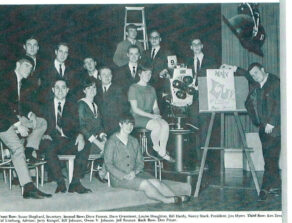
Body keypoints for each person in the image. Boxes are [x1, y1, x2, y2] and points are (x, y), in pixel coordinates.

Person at [221, 63, 281, 201]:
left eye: (256, 73)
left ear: (263, 70)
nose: (254, 76)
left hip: (274, 128)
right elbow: (248, 75)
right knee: (270, 157)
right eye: (253, 75)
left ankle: (264, 189)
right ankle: (277, 185)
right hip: (262, 127)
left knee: (270, 159)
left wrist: (272, 122)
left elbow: (280, 103)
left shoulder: (275, 82)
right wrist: (234, 68)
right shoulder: (258, 81)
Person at [0, 56, 52, 199]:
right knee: (17, 149)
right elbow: (1, 105)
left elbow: (19, 105)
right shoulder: (6, 79)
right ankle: (28, 187)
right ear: (17, 64)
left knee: (41, 122)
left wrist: (30, 114)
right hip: (0, 121)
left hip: (12, 117)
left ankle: (30, 149)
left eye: (31, 67)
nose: (29, 69)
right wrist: (18, 124)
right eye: (26, 65)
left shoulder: (20, 82)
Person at [104, 114, 189, 204]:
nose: (130, 127)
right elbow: (108, 164)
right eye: (127, 124)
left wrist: (135, 172)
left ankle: (175, 197)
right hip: (119, 178)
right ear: (120, 124)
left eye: (132, 124)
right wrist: (123, 175)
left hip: (134, 174)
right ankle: (166, 200)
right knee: (145, 184)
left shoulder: (134, 141)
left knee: (156, 182)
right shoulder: (111, 142)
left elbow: (140, 162)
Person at [42, 79, 91, 194]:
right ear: (53, 90)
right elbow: (40, 123)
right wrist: (44, 134)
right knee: (48, 145)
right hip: (51, 140)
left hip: (67, 140)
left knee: (86, 144)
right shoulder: (45, 105)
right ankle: (60, 182)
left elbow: (78, 125)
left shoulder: (73, 105)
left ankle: (75, 182)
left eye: (63, 87)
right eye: (57, 87)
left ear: (67, 90)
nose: (60, 90)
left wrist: (80, 135)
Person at [128, 65, 175, 162]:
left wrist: (157, 114)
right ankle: (157, 147)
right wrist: (152, 116)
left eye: (150, 73)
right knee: (157, 126)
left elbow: (155, 107)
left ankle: (162, 151)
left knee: (165, 125)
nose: (148, 75)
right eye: (145, 73)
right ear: (139, 74)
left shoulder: (151, 89)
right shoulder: (133, 88)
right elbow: (135, 109)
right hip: (137, 117)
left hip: (150, 117)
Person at [186, 38, 218, 171]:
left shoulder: (210, 61)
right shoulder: (187, 63)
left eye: (199, 44)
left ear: (202, 46)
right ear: (191, 47)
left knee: (205, 131)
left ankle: (205, 161)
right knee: (195, 131)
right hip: (192, 100)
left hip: (206, 99)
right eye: (194, 44)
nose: (196, 46)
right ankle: (197, 161)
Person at [78, 80, 108, 183]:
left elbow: (99, 127)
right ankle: (101, 172)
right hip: (86, 141)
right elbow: (81, 127)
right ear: (84, 90)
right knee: (109, 147)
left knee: (112, 143)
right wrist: (98, 142)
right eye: (89, 88)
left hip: (96, 139)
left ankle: (103, 171)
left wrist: (104, 138)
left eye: (94, 88)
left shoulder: (95, 105)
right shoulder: (81, 104)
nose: (92, 90)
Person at [144, 30, 173, 115]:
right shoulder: (145, 53)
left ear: (160, 39)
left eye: (156, 37)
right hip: (147, 87)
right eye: (152, 38)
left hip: (161, 87)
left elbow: (172, 68)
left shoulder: (167, 53)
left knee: (161, 113)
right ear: (149, 39)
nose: (154, 39)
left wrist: (166, 71)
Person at [95, 67, 129, 136]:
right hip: (99, 127)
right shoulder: (95, 90)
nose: (107, 76)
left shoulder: (119, 89)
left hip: (115, 126)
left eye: (109, 74)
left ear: (112, 76)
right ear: (99, 77)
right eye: (104, 74)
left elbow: (124, 109)